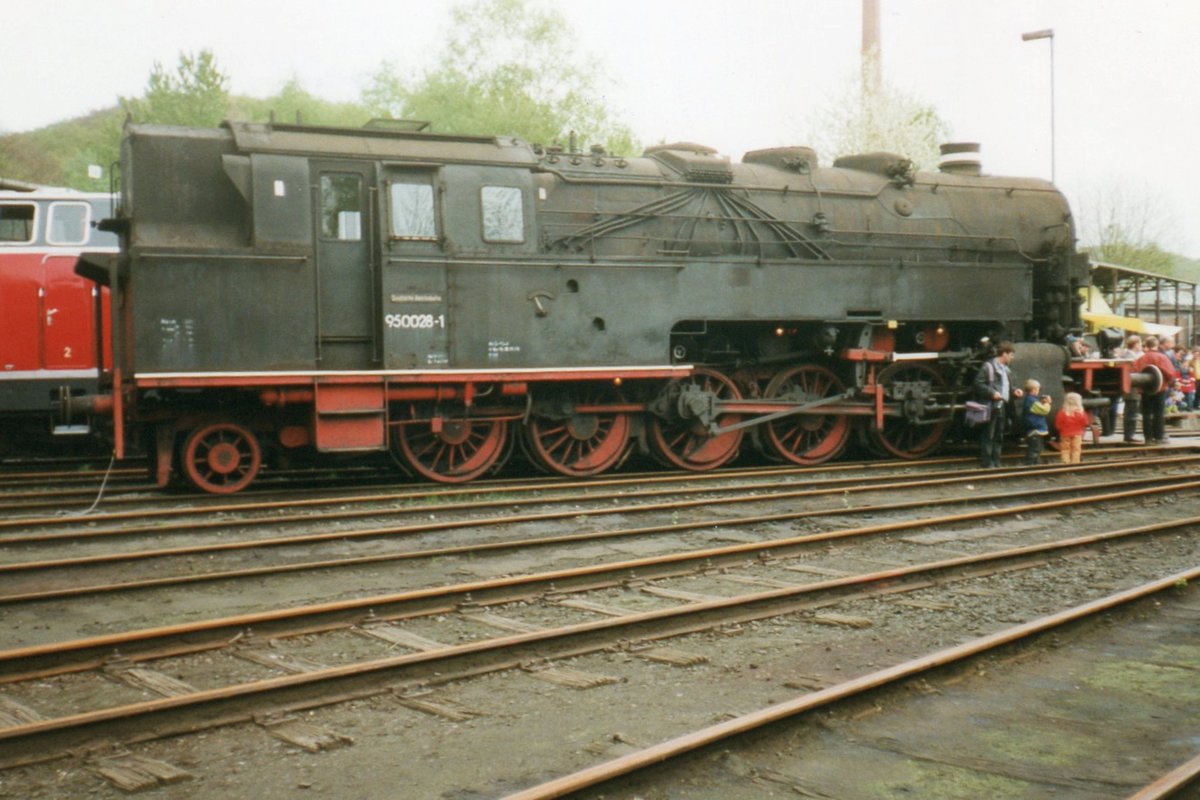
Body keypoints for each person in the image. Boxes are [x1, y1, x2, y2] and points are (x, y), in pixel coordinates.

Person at [973, 342, 1024, 468]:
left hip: (1002, 405)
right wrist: (992, 393)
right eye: (1011, 355)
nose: (1012, 358)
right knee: (989, 434)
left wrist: (1014, 391)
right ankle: (987, 462)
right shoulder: (988, 367)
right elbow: (978, 383)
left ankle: (996, 461)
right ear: (1004, 354)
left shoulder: (1005, 370)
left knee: (999, 434)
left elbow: (1007, 386)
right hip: (991, 405)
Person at [1135, 335, 1179, 444]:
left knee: (1146, 413)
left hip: (1145, 390)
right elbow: (1170, 373)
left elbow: (1134, 373)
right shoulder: (1162, 357)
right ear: (1157, 345)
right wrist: (1169, 382)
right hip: (1160, 388)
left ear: (1147, 345)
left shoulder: (1141, 359)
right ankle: (1159, 437)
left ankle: (1148, 438)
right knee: (1158, 413)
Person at [1117, 334, 1144, 443]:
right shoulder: (1131, 357)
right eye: (1140, 343)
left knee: (1131, 410)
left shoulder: (1130, 355)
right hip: (1133, 386)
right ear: (1136, 344)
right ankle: (1129, 435)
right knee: (1131, 411)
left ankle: (1129, 434)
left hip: (1133, 386)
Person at [1022, 379, 1052, 465]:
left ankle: (1035, 464)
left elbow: (1037, 408)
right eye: (1038, 389)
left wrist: (1042, 403)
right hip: (1035, 429)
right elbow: (1044, 410)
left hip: (1034, 429)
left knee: (1036, 449)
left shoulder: (1031, 400)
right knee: (1034, 449)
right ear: (1034, 390)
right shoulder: (1032, 401)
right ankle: (1030, 465)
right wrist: (1048, 403)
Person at [1055, 392, 1089, 464]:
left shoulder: (1062, 412)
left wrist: (1060, 429)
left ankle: (1065, 462)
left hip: (1065, 434)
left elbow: (1058, 424)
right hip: (1077, 434)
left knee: (1065, 449)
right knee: (1076, 449)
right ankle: (1075, 462)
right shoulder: (1081, 413)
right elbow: (1085, 423)